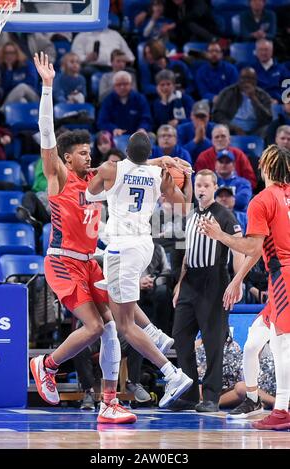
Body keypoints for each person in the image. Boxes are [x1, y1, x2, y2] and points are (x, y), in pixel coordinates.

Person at [30, 52, 174, 424]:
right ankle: (45, 364)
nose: (88, 154)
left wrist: (166, 161)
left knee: (111, 328)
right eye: (81, 153)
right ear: (67, 158)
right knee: (94, 327)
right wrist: (48, 88)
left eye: (88, 151)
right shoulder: (59, 177)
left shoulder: (101, 178)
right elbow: (47, 135)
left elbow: (133, 164)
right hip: (62, 260)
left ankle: (109, 401)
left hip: (90, 260)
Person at [86, 131, 194, 409]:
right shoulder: (158, 174)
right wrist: (180, 176)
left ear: (124, 150)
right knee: (114, 295)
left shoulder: (112, 168)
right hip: (144, 245)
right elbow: (183, 208)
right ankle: (157, 334)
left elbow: (89, 192)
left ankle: (172, 374)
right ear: (150, 154)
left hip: (122, 247)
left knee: (123, 324)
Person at [197, 144, 290, 430]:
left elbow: (251, 245)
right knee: (252, 342)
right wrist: (238, 279)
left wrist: (219, 234)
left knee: (281, 344)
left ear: (264, 167)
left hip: (283, 275)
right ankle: (252, 400)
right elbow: (260, 249)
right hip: (281, 273)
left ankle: (282, 410)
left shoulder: (262, 200)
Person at [171, 169, 244, 412]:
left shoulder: (225, 215)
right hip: (190, 279)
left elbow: (238, 249)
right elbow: (185, 253)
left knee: (213, 341)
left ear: (214, 188)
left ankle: (211, 397)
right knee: (180, 337)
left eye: (205, 185)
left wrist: (237, 282)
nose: (201, 189)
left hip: (214, 280)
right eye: (198, 185)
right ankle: (190, 393)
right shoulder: (190, 215)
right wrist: (180, 283)